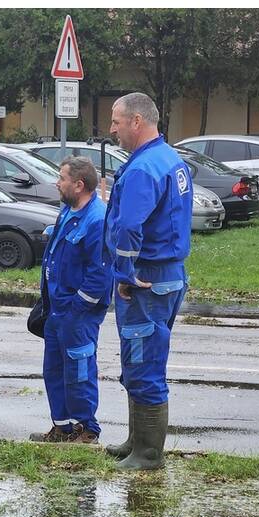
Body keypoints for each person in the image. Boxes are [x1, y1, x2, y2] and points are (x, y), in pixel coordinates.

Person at [103, 92, 193, 470]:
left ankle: (149, 453)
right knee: (141, 358)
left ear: (136, 122)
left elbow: (128, 226)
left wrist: (124, 275)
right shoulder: (170, 159)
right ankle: (136, 440)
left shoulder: (142, 169)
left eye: (116, 121)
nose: (112, 129)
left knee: (143, 362)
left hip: (146, 281)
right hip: (168, 277)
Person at [30, 156, 111, 445]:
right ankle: (62, 428)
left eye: (61, 178)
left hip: (78, 313)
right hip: (57, 310)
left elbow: (100, 275)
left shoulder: (97, 219)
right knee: (54, 370)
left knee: (78, 370)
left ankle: (86, 430)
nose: (56, 183)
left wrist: (78, 307)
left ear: (78, 185)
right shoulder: (68, 211)